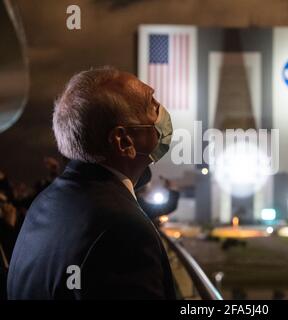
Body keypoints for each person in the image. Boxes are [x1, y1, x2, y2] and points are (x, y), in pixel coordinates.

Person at [7, 67, 176, 299]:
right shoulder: (123, 231)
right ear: (124, 142)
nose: (162, 112)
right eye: (151, 104)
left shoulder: (46, 203)